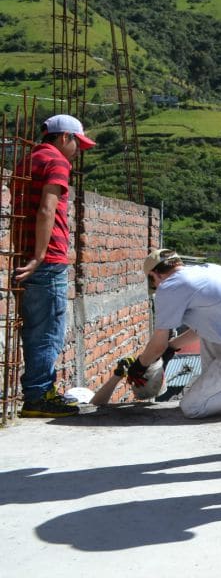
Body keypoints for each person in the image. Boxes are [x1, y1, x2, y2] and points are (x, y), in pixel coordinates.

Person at [11, 114, 95, 417]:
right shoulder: (57, 162)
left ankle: (37, 392)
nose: (78, 150)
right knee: (48, 331)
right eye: (77, 143)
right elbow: (47, 210)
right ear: (64, 138)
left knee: (35, 329)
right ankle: (38, 396)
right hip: (47, 261)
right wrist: (39, 256)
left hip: (25, 253)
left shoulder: (25, 161)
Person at [95, 249, 221, 418]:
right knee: (207, 339)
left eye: (153, 282)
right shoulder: (208, 270)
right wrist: (172, 347)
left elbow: (157, 346)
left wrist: (139, 366)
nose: (156, 287)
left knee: (192, 407)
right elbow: (206, 328)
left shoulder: (170, 286)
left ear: (155, 274)